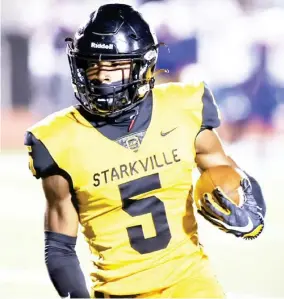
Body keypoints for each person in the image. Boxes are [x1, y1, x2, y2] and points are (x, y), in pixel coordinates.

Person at [24, 3, 266, 299]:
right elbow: (60, 246)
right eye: (92, 65)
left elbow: (228, 171)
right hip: (119, 292)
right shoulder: (58, 139)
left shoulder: (183, 107)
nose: (101, 77)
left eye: (114, 66)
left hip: (191, 285)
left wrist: (250, 210)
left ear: (143, 65)